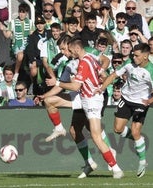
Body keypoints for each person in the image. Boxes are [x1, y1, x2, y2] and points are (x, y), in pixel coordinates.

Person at [44, 37, 123, 179]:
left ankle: (115, 167)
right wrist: (99, 79)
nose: (66, 52)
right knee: (50, 102)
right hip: (83, 98)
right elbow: (101, 74)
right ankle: (59, 129)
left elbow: (75, 86)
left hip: (91, 100)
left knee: (96, 136)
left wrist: (57, 82)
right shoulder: (84, 61)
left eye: (67, 49)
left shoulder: (85, 61)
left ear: (75, 48)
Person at [97, 43, 153, 178]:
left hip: (141, 102)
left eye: (137, 55)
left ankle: (142, 160)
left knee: (135, 130)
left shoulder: (151, 71)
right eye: (133, 55)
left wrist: (149, 101)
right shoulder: (129, 64)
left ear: (145, 56)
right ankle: (140, 142)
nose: (134, 57)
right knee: (117, 130)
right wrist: (102, 89)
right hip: (126, 99)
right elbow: (113, 75)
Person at [0, 3, 34, 81]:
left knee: (32, 65)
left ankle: (33, 84)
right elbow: (7, 35)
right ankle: (16, 72)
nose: (21, 14)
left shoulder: (30, 22)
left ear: (26, 13)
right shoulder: (13, 22)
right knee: (21, 54)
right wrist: (3, 30)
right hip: (17, 46)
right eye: (20, 12)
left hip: (27, 46)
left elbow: (32, 35)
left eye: (23, 12)